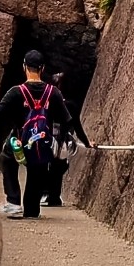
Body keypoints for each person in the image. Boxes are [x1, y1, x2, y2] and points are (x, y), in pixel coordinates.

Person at [0, 50, 72, 219]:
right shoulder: (53, 92)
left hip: (19, 143)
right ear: (42, 69)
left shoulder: (16, 92)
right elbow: (66, 120)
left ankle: (13, 203)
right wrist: (60, 141)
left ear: (24, 67)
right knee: (37, 174)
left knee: (7, 158)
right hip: (41, 145)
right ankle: (31, 210)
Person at [44, 71, 93, 207]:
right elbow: (77, 126)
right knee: (59, 168)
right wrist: (87, 143)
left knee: (47, 167)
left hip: (47, 140)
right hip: (62, 142)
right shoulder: (70, 106)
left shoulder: (46, 104)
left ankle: (47, 194)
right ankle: (54, 196)